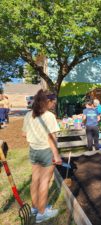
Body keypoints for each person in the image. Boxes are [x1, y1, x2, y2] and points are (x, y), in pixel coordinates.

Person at [22, 89, 61, 223]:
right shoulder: (49, 116)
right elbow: (51, 137)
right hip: (46, 151)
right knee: (45, 181)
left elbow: (24, 134)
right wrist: (56, 155)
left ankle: (35, 207)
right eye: (53, 102)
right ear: (47, 101)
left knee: (35, 180)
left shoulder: (29, 115)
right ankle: (42, 213)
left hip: (33, 150)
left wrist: (36, 136)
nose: (54, 104)